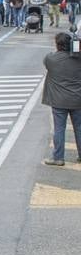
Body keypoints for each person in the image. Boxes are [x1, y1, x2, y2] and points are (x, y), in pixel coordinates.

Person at [43, 31, 81, 166]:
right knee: (79, 127)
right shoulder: (78, 57)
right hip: (77, 99)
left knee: (59, 128)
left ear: (57, 45)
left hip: (59, 101)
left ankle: (58, 157)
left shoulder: (51, 59)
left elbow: (48, 62)